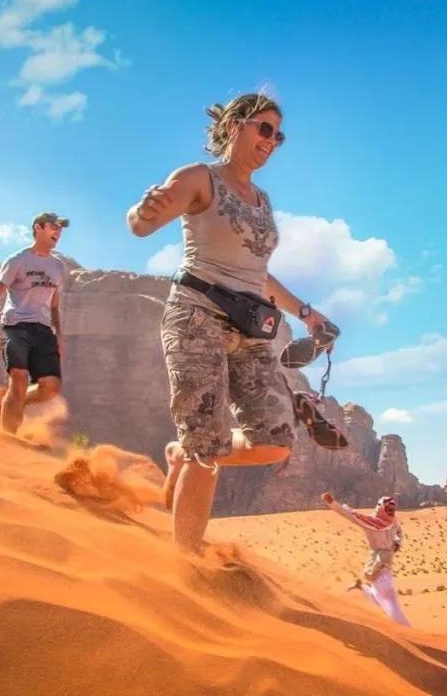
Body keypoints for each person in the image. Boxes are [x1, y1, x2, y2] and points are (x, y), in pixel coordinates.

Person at [125, 91, 348, 553]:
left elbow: (257, 272)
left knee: (277, 441)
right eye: (264, 128)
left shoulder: (262, 201)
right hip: (196, 316)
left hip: (250, 327)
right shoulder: (198, 177)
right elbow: (142, 225)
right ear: (233, 126)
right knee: (206, 451)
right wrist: (143, 211)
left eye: (278, 135)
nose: (272, 140)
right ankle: (188, 569)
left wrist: (306, 312)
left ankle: (181, 451)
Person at [0, 212, 69, 435]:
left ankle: (14, 399)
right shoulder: (18, 260)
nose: (58, 233)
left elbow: (54, 306)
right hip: (15, 326)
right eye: (53, 227)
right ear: (38, 228)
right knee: (19, 378)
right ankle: (8, 440)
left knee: (51, 387)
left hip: (43, 330)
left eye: (60, 229)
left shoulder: (59, 267)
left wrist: (59, 335)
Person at [322, 492, 411, 627]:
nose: (391, 512)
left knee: (381, 598)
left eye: (393, 510)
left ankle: (362, 587)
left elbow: (398, 530)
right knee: (388, 599)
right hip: (378, 562)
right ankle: (409, 631)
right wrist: (332, 503)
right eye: (388, 509)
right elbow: (349, 514)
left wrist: (397, 542)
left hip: (385, 562)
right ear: (381, 508)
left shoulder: (393, 521)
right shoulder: (370, 522)